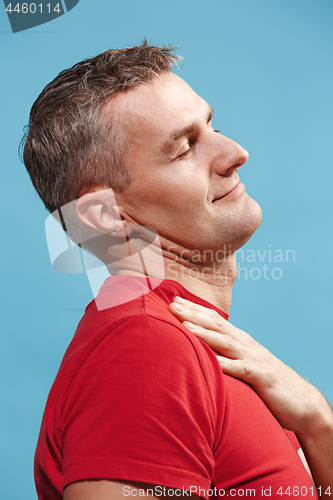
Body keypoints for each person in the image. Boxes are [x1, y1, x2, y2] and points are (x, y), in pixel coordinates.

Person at [22, 42, 333, 500]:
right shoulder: (144, 346)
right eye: (185, 147)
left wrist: (319, 425)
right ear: (107, 216)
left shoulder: (185, 341)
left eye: (211, 125)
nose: (236, 152)